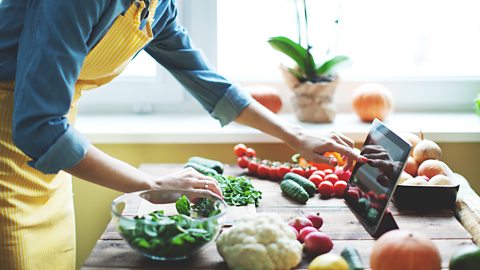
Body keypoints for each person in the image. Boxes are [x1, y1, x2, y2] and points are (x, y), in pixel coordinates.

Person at [0, 0, 366, 269]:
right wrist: (153, 183)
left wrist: (294, 135)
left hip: (50, 148)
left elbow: (206, 81)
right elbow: (38, 126)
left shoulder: (156, 6)